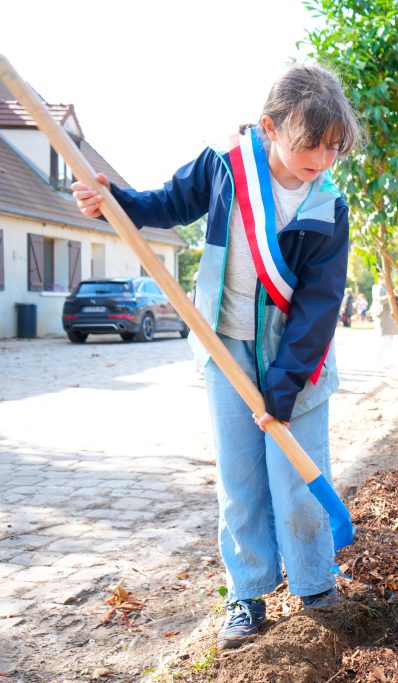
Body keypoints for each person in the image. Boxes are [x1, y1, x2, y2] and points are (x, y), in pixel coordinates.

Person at [71, 64, 363, 651]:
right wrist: (112, 202)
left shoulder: (329, 205)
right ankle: (248, 594)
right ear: (270, 127)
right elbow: (164, 204)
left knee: (298, 479)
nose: (324, 159)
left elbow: (319, 306)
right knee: (241, 478)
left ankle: (314, 586)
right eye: (312, 144)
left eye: (335, 148)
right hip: (224, 347)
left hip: (298, 359)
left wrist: (283, 388)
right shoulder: (225, 168)